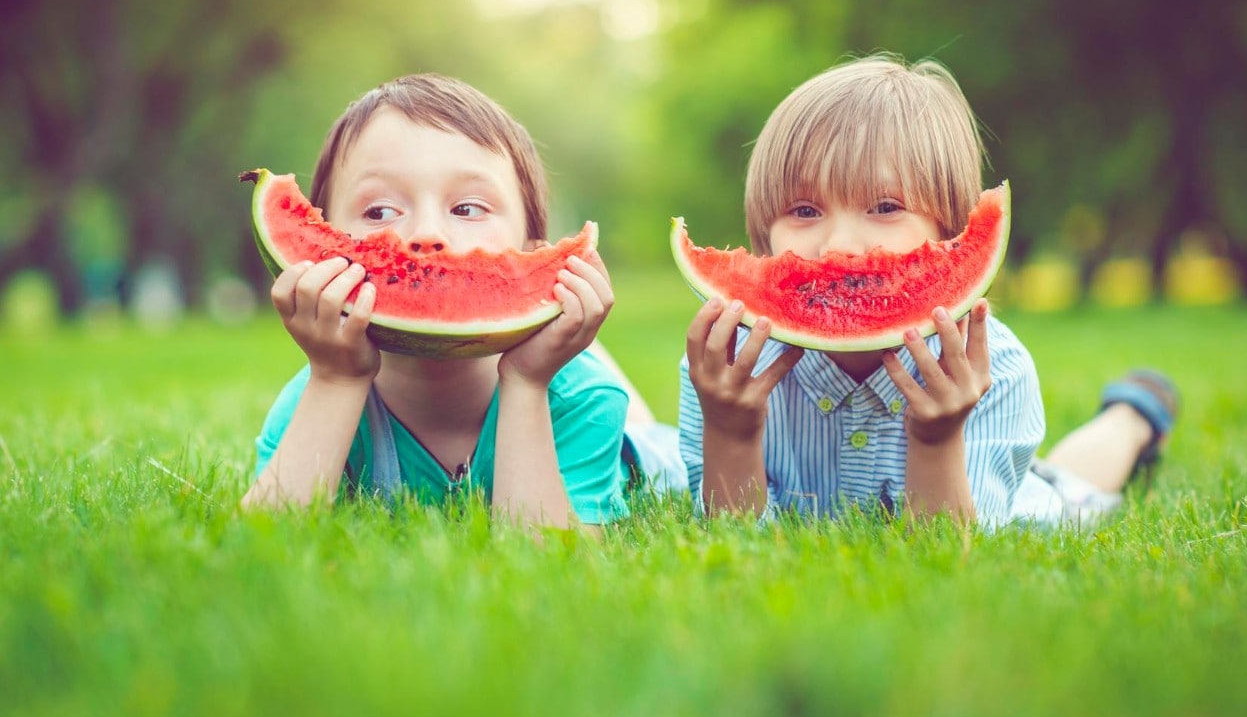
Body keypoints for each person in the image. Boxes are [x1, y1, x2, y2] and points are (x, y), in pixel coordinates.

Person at [678, 54, 1178, 528]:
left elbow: (948, 553)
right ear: (765, 235)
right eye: (805, 211)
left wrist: (937, 439)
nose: (842, 246)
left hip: (1002, 501)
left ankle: (1132, 415)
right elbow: (736, 541)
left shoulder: (995, 371)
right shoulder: (724, 370)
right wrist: (730, 432)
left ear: (951, 233)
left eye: (885, 206)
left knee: (1070, 493)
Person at [242, 73, 638, 534]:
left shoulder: (581, 398)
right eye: (379, 212)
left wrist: (528, 383)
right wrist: (336, 381)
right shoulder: (312, 396)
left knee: (650, 441)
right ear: (325, 244)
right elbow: (261, 545)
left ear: (533, 251)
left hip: (641, 448)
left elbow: (549, 565)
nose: (427, 234)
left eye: (467, 208)